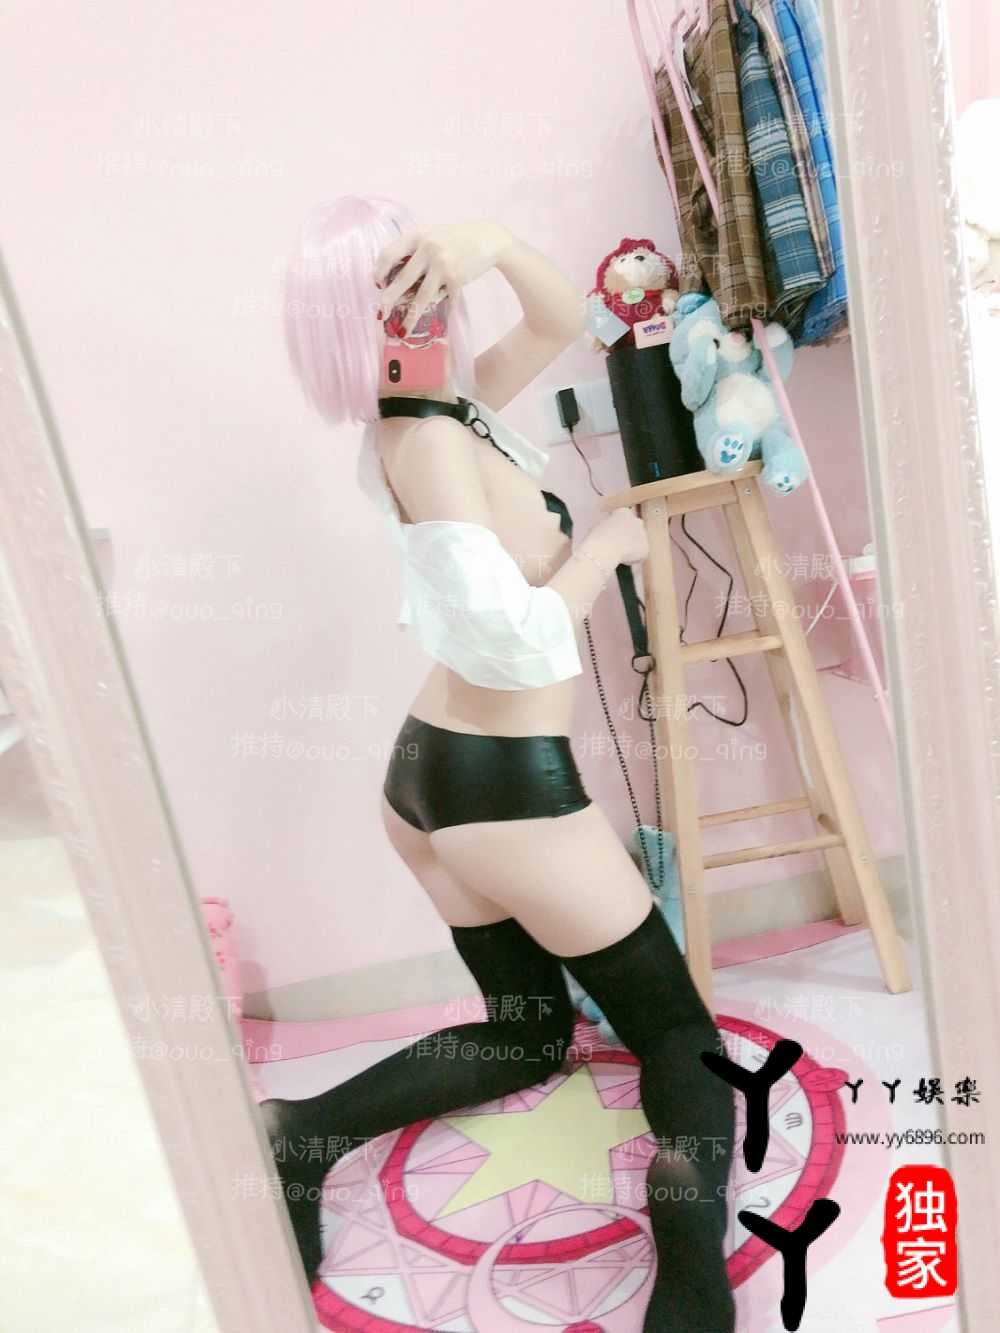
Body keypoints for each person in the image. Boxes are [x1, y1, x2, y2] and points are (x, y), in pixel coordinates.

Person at [266, 194, 736, 1333]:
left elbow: (560, 318)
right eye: (400, 300)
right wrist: (602, 547)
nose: (429, 314)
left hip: (433, 775)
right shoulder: (427, 441)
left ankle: (298, 1136)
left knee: (526, 1031)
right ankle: (688, 1285)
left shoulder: (448, 409)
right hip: (501, 784)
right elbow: (512, 639)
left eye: (430, 288)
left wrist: (492, 243)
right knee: (679, 1035)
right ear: (357, 329)